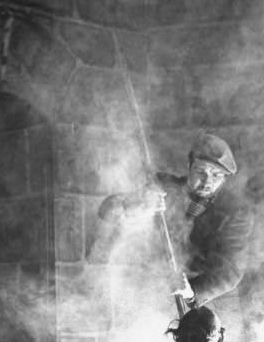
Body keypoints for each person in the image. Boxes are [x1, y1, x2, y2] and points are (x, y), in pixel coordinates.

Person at [98, 133, 253, 327]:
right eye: (201, 172)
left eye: (216, 175)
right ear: (190, 167)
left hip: (208, 302)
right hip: (155, 293)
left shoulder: (235, 211)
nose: (207, 181)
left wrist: (191, 292)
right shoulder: (162, 186)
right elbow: (106, 210)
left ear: (225, 178)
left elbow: (230, 271)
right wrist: (138, 205)